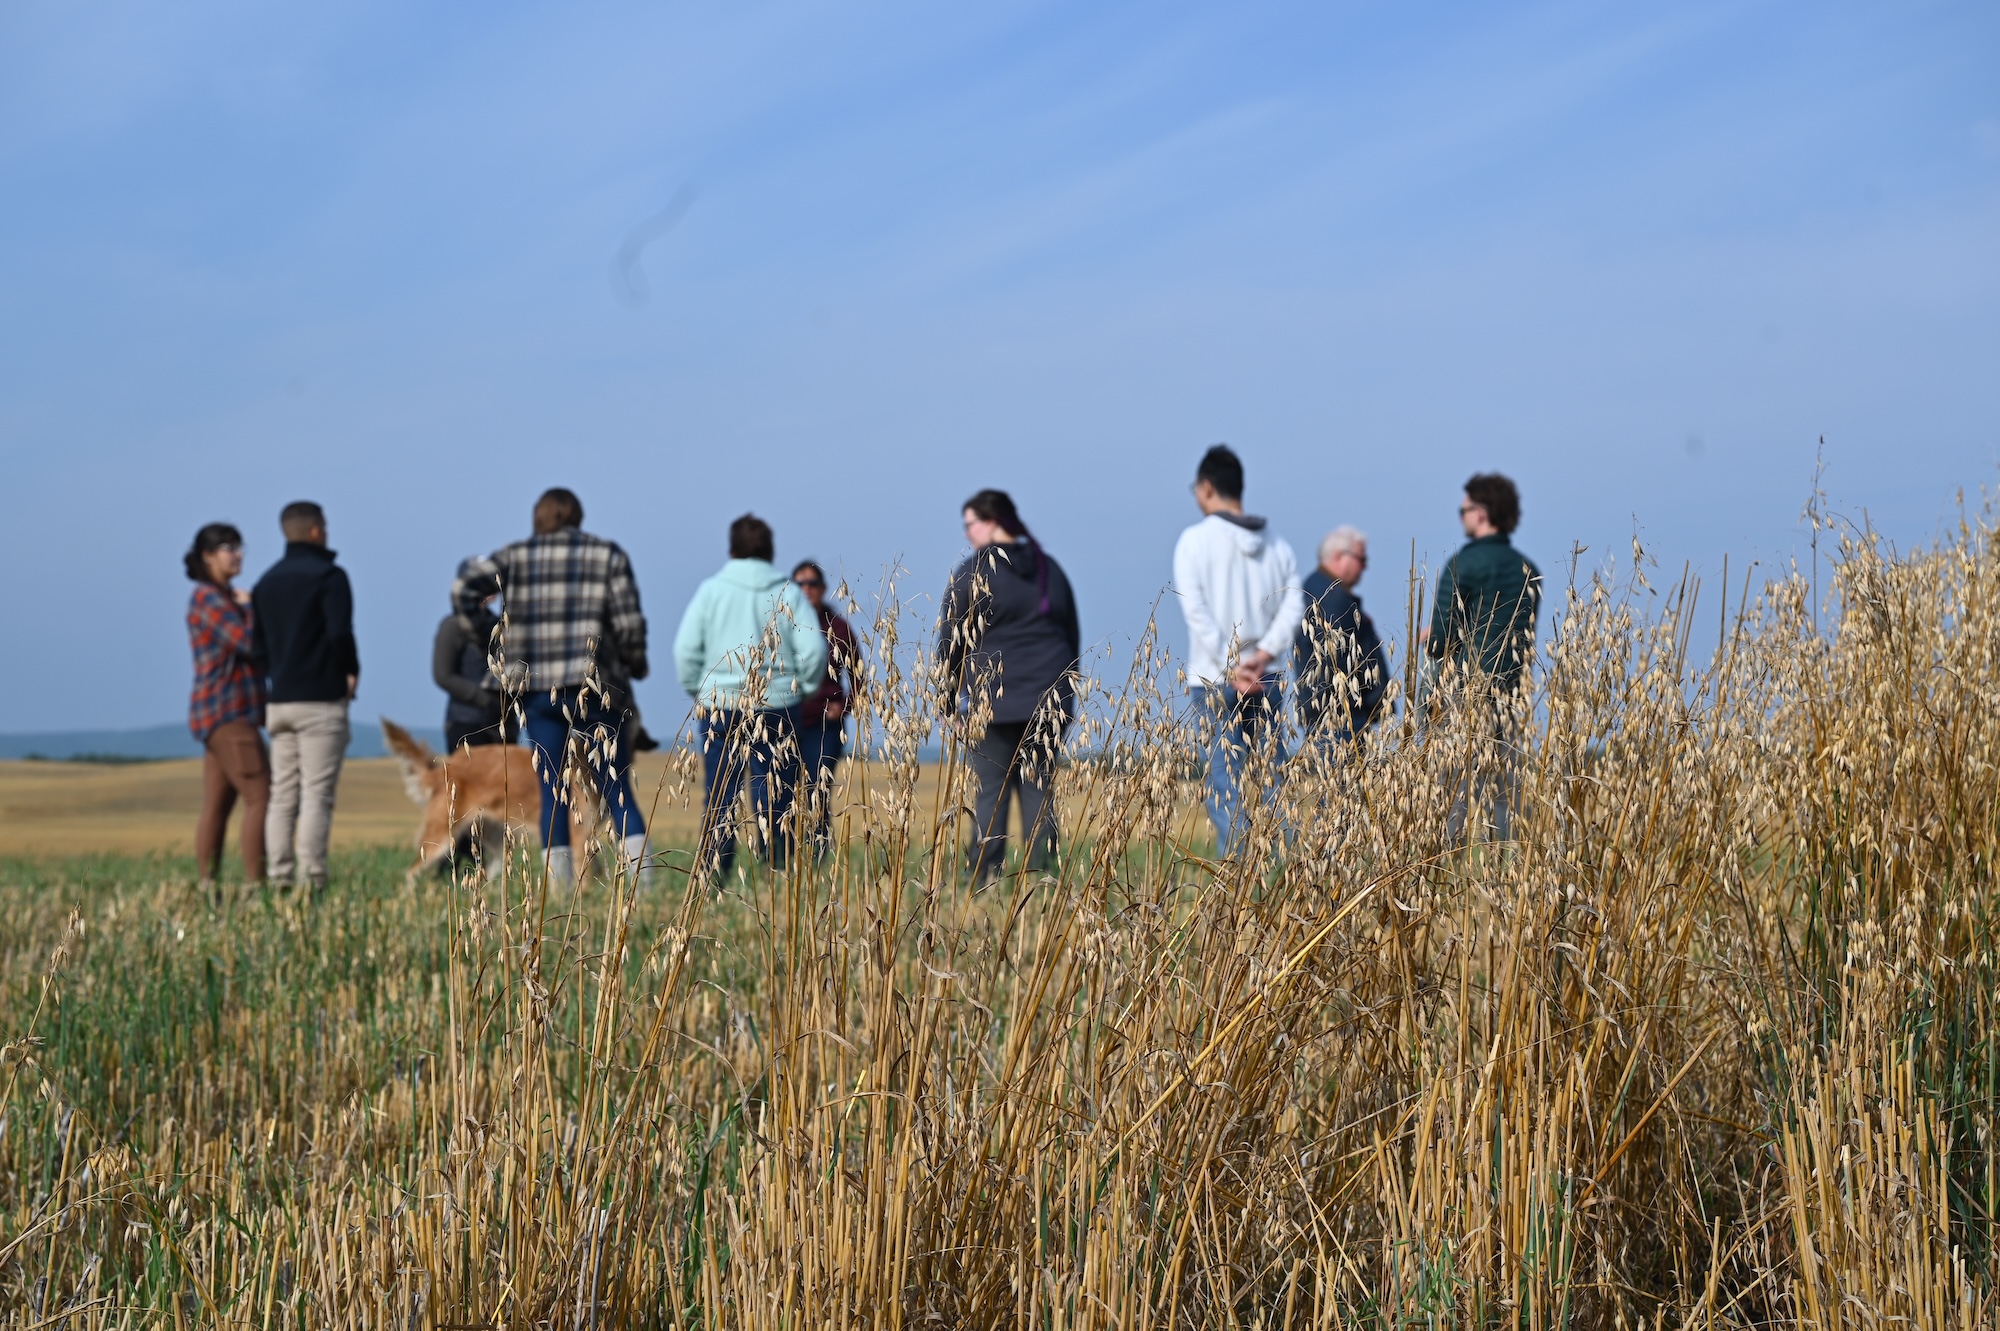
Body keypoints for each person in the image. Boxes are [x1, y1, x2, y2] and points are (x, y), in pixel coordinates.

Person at [453, 488, 651, 887]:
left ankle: (558, 890)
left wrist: (489, 642)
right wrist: (634, 662)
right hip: (598, 686)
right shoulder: (608, 555)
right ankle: (641, 883)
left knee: (552, 788)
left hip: (538, 688)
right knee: (615, 783)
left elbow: (463, 590)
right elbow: (629, 623)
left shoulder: (513, 556)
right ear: (578, 516)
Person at [937, 489, 1081, 883]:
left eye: (970, 524)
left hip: (992, 703)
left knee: (991, 791)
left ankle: (983, 876)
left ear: (991, 521)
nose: (967, 534)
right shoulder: (1047, 568)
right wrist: (1065, 695)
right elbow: (1070, 634)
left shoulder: (972, 573)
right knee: (1038, 789)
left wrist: (947, 704)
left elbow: (950, 643)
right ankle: (1043, 876)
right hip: (1048, 700)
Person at [675, 514, 828, 880]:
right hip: (777, 706)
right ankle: (778, 871)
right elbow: (815, 651)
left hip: (719, 707)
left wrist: (702, 690)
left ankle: (715, 875)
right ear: (770, 551)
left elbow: (685, 651)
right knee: (778, 794)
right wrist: (799, 691)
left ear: (731, 550)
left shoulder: (711, 591)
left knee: (719, 795)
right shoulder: (788, 593)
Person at [1172, 445, 1304, 854]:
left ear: (1207, 488)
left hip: (1213, 677)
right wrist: (1262, 657)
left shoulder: (1193, 541)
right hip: (1268, 676)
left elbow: (1197, 611)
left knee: (1223, 781)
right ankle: (1285, 868)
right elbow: (1293, 604)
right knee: (1273, 777)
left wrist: (1232, 665)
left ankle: (1237, 868)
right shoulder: (1276, 544)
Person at [1421, 472, 1542, 839]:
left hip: (1462, 693)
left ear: (1483, 512)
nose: (1460, 516)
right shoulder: (1529, 570)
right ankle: (1504, 867)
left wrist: (1429, 638)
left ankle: (1446, 867)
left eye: (1465, 508)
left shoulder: (1463, 565)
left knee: (1451, 789)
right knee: (1504, 790)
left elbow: (1440, 642)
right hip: (1510, 692)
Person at [251, 501, 359, 891]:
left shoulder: (265, 582)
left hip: (279, 701)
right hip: (321, 699)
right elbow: (338, 634)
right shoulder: (331, 577)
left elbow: (257, 648)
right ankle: (311, 879)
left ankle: (278, 877)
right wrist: (351, 671)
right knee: (316, 795)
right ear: (316, 530)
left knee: (282, 795)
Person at [185, 523, 269, 889]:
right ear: (207, 556)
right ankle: (257, 885)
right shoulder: (210, 598)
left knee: (218, 804)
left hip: (217, 714)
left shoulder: (214, 597)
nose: (237, 555)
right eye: (227, 548)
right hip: (230, 711)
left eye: (238, 547)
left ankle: (208, 884)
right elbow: (246, 641)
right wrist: (251, 608)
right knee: (262, 796)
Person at [1294, 526, 1389, 745]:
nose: (1365, 566)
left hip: (1333, 713)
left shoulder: (1322, 591)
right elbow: (1338, 659)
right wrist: (1374, 701)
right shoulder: (1331, 600)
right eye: (1361, 558)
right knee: (1343, 778)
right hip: (1340, 716)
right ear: (1338, 556)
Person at [791, 560, 862, 847]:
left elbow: (858, 675)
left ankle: (817, 858)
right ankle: (779, 861)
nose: (806, 590)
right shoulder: (781, 626)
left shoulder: (840, 628)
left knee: (816, 793)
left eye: (812, 584)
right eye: (799, 584)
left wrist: (843, 707)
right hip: (784, 721)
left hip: (824, 726)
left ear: (823, 589)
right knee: (778, 796)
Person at [433, 560, 513, 752]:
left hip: (502, 722)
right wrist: (483, 698)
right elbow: (443, 675)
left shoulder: (500, 624)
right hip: (466, 722)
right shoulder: (452, 626)